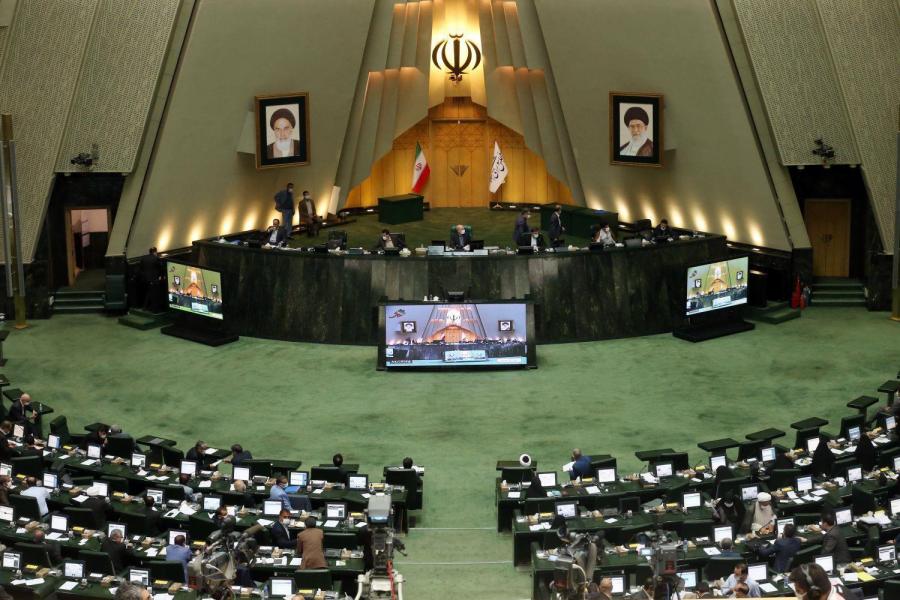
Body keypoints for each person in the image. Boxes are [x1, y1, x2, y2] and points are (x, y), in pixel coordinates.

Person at [139, 247, 164, 312]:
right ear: (155, 252)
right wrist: (161, 277)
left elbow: (141, 269)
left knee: (149, 292)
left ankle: (145, 307)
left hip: (145, 279)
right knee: (154, 293)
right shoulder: (156, 258)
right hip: (154, 279)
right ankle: (152, 308)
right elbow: (161, 268)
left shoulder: (143, 258)